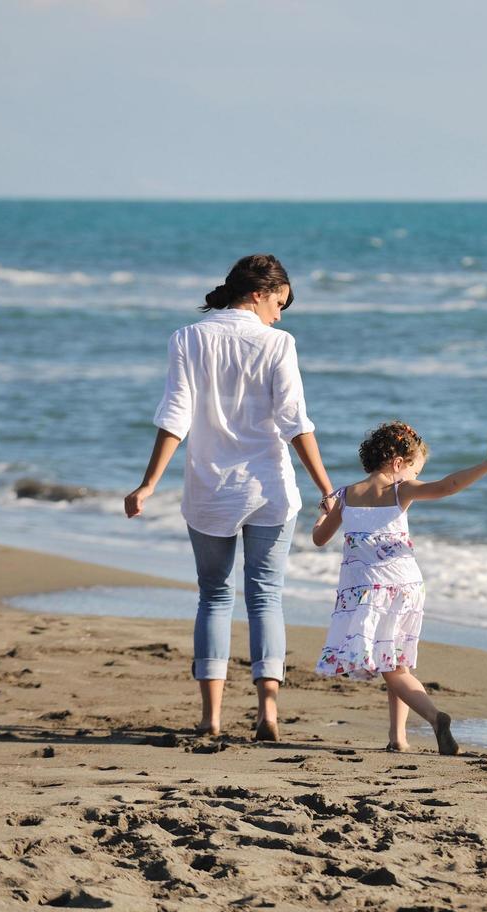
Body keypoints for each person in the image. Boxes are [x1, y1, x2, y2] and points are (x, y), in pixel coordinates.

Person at [125, 254, 333, 742]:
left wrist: (149, 482)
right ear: (260, 292)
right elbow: (295, 422)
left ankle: (211, 719)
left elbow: (175, 415)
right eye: (279, 303)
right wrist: (326, 486)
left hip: (210, 489)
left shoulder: (187, 338)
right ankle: (268, 716)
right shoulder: (278, 344)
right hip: (269, 490)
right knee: (266, 597)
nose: (280, 315)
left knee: (214, 596)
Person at [312, 420, 487, 756]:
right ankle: (398, 737)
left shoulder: (344, 496)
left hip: (369, 592)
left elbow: (319, 538)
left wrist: (322, 515)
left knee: (390, 666)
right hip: (407, 587)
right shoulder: (399, 491)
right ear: (397, 463)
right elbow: (448, 486)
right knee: (395, 661)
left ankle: (435, 717)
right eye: (415, 469)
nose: (414, 477)